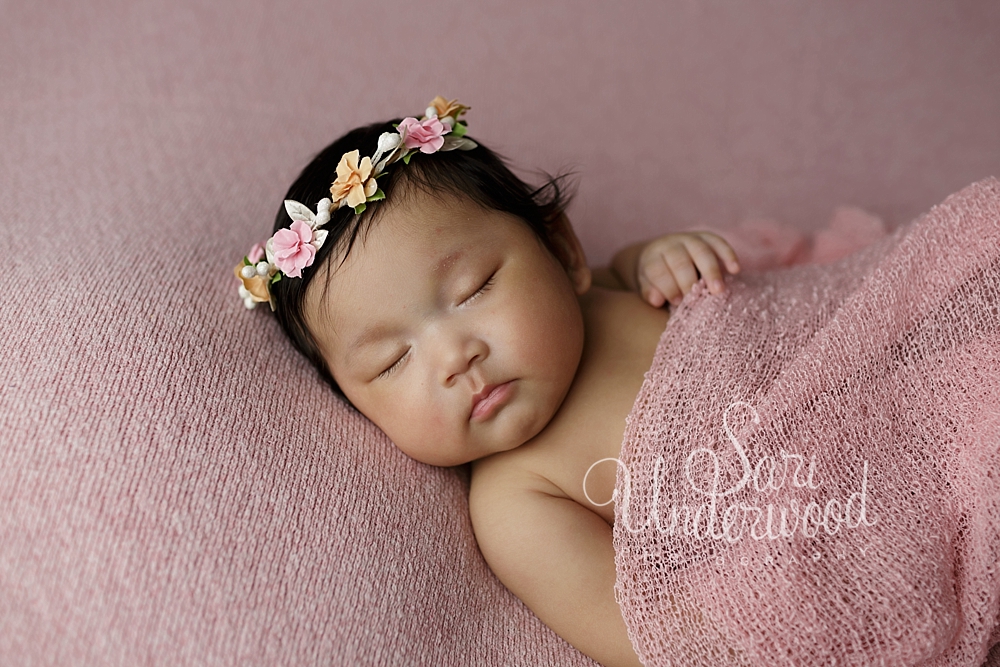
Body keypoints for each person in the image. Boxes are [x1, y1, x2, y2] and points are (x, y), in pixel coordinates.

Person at [234, 97, 742, 667]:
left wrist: (660, 258)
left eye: (473, 289)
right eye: (391, 361)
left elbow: (637, 269)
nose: (454, 357)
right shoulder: (518, 504)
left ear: (562, 251)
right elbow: (656, 637)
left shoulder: (603, 291)